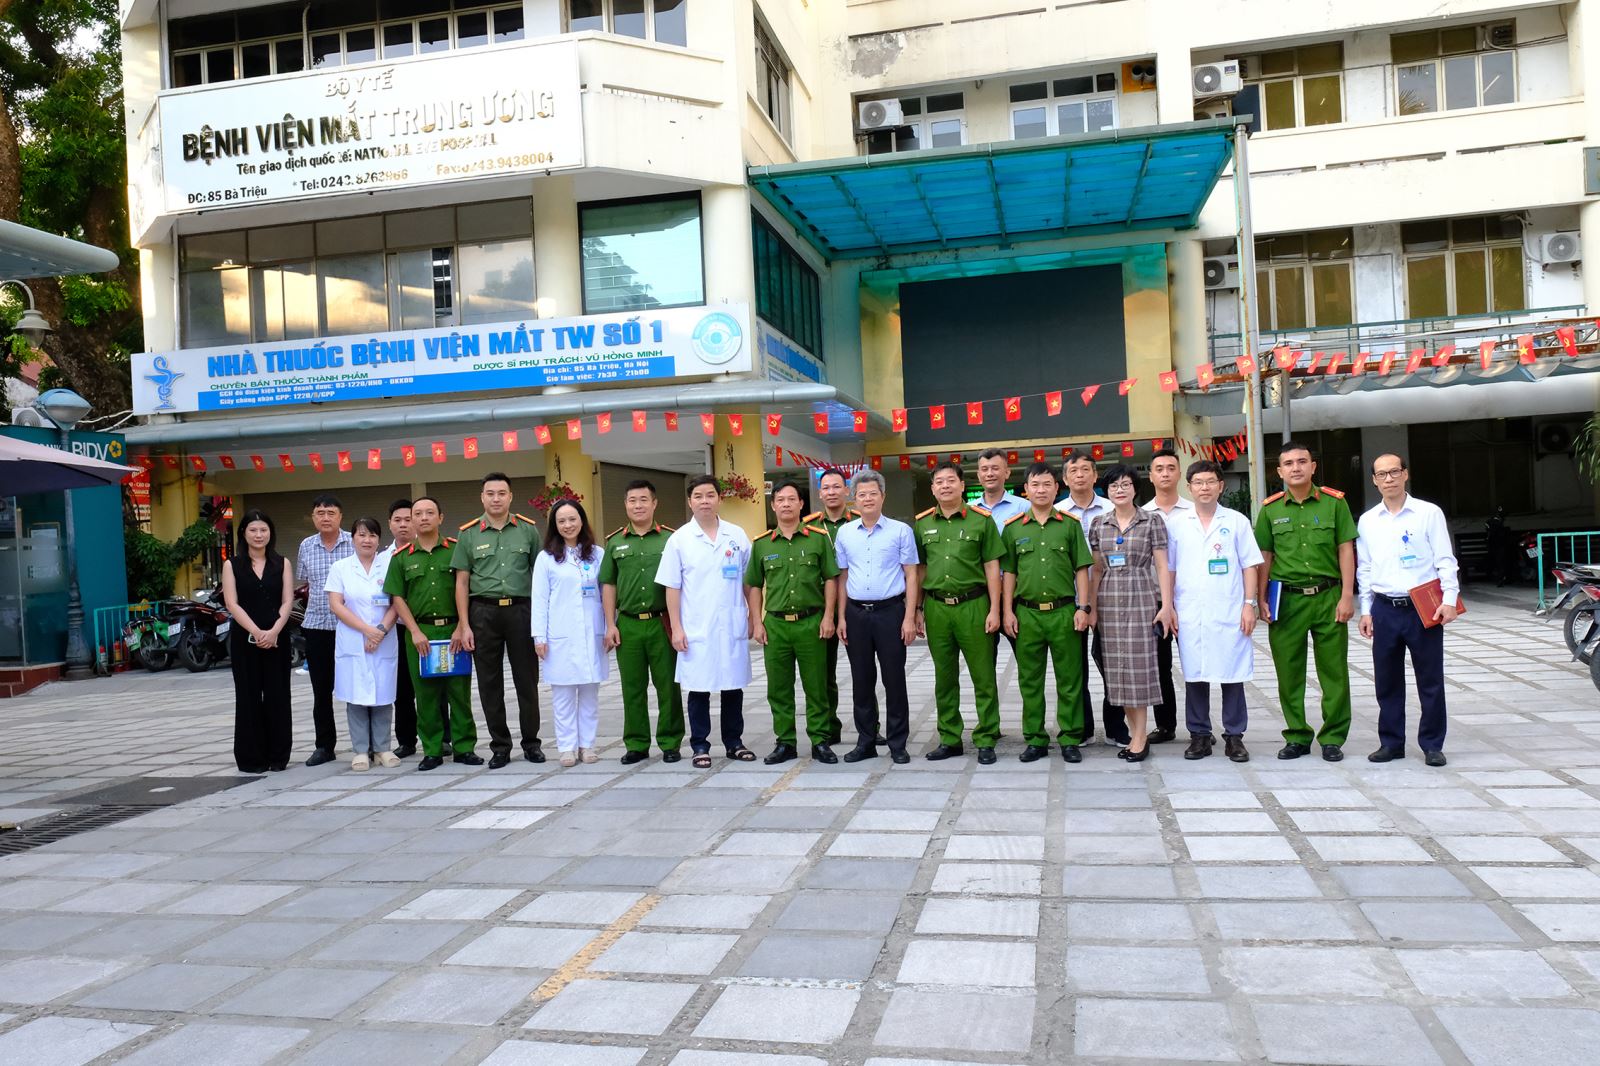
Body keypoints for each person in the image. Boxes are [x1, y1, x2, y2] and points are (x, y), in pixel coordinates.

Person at [1255, 441, 1358, 762]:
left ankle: (1333, 737)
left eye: (1302, 461)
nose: (1296, 468)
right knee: (1288, 672)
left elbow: (1345, 550)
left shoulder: (1334, 503)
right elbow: (1264, 556)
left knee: (1334, 671)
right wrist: (1260, 598)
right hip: (1287, 600)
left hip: (1328, 597)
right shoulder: (1270, 509)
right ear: (1279, 471)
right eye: (1288, 463)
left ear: (1313, 466)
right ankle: (1297, 735)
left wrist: (1347, 596)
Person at [1357, 454, 1458, 767]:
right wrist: (1366, 610)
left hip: (1423, 608)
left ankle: (1432, 744)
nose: (1388, 479)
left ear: (1405, 474)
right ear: (1374, 480)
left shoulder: (1428, 513)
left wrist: (1450, 598)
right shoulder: (1368, 520)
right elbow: (1365, 568)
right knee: (1387, 680)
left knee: (1430, 679)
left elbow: (1445, 559)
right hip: (1385, 607)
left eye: (1394, 472)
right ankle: (1391, 743)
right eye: (1381, 474)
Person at [656, 475, 757, 768]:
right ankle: (700, 745)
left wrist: (754, 616)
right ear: (690, 502)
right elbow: (672, 587)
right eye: (698, 496)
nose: (704, 501)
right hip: (696, 626)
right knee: (698, 688)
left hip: (731, 622)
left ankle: (734, 742)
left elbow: (749, 581)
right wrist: (676, 628)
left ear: (719, 499)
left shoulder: (736, 535)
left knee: (732, 686)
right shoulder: (679, 539)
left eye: (710, 495)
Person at [1168, 461, 1262, 762]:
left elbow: (1250, 565)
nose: (1204, 487)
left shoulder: (1236, 521)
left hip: (1229, 609)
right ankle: (1199, 735)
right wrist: (1169, 606)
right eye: (1198, 482)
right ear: (1189, 487)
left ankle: (1234, 736)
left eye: (1210, 481)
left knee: (1232, 672)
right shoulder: (1177, 524)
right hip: (1190, 611)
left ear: (1221, 486)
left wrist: (1249, 604)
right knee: (1195, 673)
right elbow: (1169, 569)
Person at [1000, 462, 1094, 763]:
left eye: (1047, 484)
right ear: (1026, 490)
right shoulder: (1013, 528)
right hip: (1026, 614)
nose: (1041, 490)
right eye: (1035, 485)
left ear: (1057, 489)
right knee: (1030, 680)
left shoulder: (1069, 525)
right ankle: (1035, 739)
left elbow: (1082, 569)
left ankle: (1070, 738)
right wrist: (1007, 611)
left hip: (1064, 612)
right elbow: (1009, 573)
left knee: (1070, 679)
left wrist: (1083, 607)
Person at [452, 472, 545, 768]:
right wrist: (464, 625)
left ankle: (531, 743)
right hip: (483, 613)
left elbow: (541, 576)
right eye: (490, 493)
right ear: (482, 497)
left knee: (527, 681)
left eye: (501, 493)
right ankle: (500, 747)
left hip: (521, 611)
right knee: (489, 683)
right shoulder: (468, 534)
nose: (496, 499)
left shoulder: (528, 530)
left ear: (510, 496)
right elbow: (462, 582)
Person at [914, 461, 1004, 763]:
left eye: (950, 480)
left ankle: (987, 737)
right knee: (944, 677)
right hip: (937, 608)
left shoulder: (981, 521)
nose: (945, 486)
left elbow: (992, 566)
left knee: (983, 676)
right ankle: (950, 737)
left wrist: (994, 609)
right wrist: (918, 609)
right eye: (939, 482)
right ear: (932, 489)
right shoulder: (922, 524)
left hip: (974, 605)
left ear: (962, 485)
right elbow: (921, 569)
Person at [384, 496, 481, 771]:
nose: (423, 518)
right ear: (412, 519)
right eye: (418, 514)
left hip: (454, 630)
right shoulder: (401, 558)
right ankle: (432, 750)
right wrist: (414, 631)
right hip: (421, 633)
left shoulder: (456, 550)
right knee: (425, 695)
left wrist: (462, 626)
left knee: (459, 692)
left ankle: (464, 748)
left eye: (429, 513)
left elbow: (467, 588)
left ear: (440, 517)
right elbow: (397, 597)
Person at [1086, 464, 1175, 762]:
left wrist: (1166, 606)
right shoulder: (1099, 524)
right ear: (1107, 491)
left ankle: (1139, 737)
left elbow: (1162, 565)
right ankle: (1135, 733)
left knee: (1139, 669)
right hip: (1109, 602)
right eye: (1114, 486)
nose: (1120, 490)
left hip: (1141, 599)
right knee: (1117, 672)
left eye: (1125, 484)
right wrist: (1092, 609)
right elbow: (1097, 570)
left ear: (1135, 489)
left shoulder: (1151, 521)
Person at [747, 480, 840, 764]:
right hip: (775, 625)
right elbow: (753, 585)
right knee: (778, 688)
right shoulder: (762, 544)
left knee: (817, 685)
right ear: (773, 505)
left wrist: (828, 616)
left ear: (801, 504)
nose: (786, 504)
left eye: (791, 499)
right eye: (780, 499)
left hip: (810, 623)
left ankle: (820, 741)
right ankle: (785, 742)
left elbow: (831, 579)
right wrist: (757, 622)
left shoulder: (818, 538)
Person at [834, 469, 920, 764]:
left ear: (883, 496)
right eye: (862, 494)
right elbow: (843, 577)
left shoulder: (901, 531)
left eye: (873, 493)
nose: (868, 499)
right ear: (854, 499)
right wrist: (841, 617)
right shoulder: (845, 533)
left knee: (894, 679)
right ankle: (866, 741)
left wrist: (909, 617)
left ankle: (897, 743)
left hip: (890, 613)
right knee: (861, 680)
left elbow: (911, 575)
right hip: (856, 614)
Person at [601, 480, 685, 764]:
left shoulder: (670, 539)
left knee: (668, 686)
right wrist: (610, 624)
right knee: (632, 687)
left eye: (643, 500)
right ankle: (636, 744)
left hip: (662, 623)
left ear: (654, 503)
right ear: (625, 504)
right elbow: (608, 584)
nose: (638, 505)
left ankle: (670, 742)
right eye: (632, 500)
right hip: (628, 624)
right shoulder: (615, 542)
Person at [533, 499, 610, 767]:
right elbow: (539, 599)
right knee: (563, 695)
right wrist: (539, 636)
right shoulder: (546, 558)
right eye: (561, 521)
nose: (568, 525)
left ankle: (587, 745)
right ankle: (566, 747)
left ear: (582, 520)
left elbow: (606, 593)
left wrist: (609, 627)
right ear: (554, 526)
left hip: (592, 633)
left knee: (589, 694)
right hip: (560, 636)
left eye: (572, 519)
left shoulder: (597, 554)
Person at [1055, 449, 1123, 747]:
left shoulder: (1113, 508)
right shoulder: (1057, 512)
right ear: (1065, 478)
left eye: (1086, 470)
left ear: (1095, 476)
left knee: (1113, 664)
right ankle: (1081, 727)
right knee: (1075, 667)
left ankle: (1116, 726)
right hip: (1070, 599)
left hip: (1111, 597)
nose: (1080, 475)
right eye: (1073, 470)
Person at [326, 517, 401, 771]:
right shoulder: (340, 567)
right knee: (356, 695)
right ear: (352, 539)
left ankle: (382, 748)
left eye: (372, 535)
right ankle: (360, 750)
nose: (367, 540)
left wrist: (379, 632)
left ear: (379, 540)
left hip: (384, 637)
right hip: (353, 639)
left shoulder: (389, 564)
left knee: (383, 694)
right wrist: (368, 631)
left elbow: (397, 603)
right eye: (361, 535)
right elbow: (336, 605)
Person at [222, 510, 294, 774]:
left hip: (277, 638)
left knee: (278, 695)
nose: (259, 535)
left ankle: (278, 756)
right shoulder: (232, 565)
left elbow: (287, 600)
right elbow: (232, 603)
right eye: (253, 530)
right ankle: (252, 758)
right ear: (243, 533)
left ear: (270, 533)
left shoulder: (282, 563)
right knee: (248, 696)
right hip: (245, 639)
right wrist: (256, 631)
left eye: (263, 530)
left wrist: (274, 631)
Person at [1140, 448, 1192, 746]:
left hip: (1189, 599)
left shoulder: (1194, 511)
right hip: (1156, 602)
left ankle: (1200, 727)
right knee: (1160, 665)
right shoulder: (1142, 515)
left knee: (1196, 664)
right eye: (1159, 469)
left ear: (1179, 473)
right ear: (1151, 476)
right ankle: (1165, 725)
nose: (1165, 473)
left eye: (1171, 468)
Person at [296, 494, 353, 766]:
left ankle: (365, 744)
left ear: (340, 516)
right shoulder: (306, 546)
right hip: (317, 626)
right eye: (320, 513)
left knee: (356, 686)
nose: (326, 518)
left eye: (331, 513)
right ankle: (324, 746)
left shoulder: (354, 541)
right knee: (321, 691)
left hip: (350, 626)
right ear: (313, 517)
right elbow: (306, 582)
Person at [805, 468, 859, 746]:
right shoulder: (809, 526)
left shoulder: (861, 521)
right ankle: (827, 727)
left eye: (836, 487)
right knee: (823, 673)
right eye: (826, 488)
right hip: (822, 608)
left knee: (862, 671)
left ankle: (869, 727)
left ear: (847, 490)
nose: (831, 492)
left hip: (856, 606)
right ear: (820, 493)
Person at [384, 499, 422, 758]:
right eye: (397, 520)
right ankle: (406, 740)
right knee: (402, 689)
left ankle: (443, 738)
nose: (403, 525)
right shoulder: (382, 559)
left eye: (408, 519)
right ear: (390, 524)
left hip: (427, 626)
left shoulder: (429, 550)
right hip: (396, 631)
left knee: (435, 684)